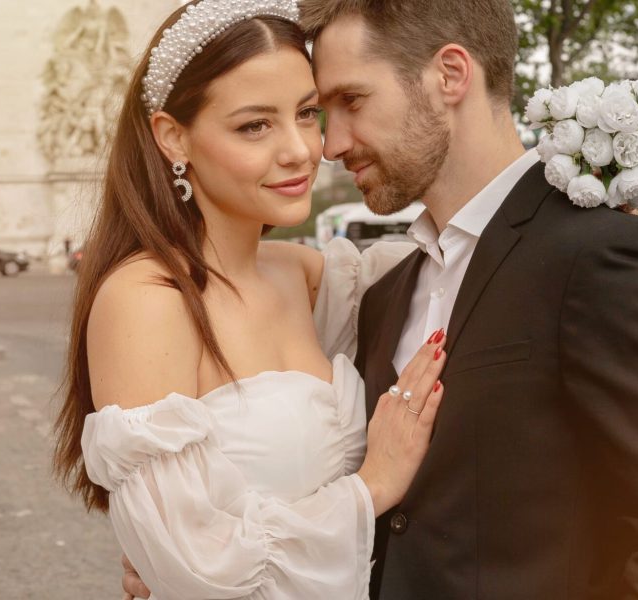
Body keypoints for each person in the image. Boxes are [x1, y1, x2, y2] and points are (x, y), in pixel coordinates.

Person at [299, 0, 638, 598]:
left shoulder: (601, 258)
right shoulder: (386, 294)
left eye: (351, 101)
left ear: (451, 75)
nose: (331, 144)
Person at [52, 2, 446, 599]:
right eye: (254, 125)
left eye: (307, 113)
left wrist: (582, 174)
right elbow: (194, 567)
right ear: (173, 136)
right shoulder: (147, 299)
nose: (301, 150)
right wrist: (372, 487)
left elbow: (464, 257)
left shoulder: (314, 277)